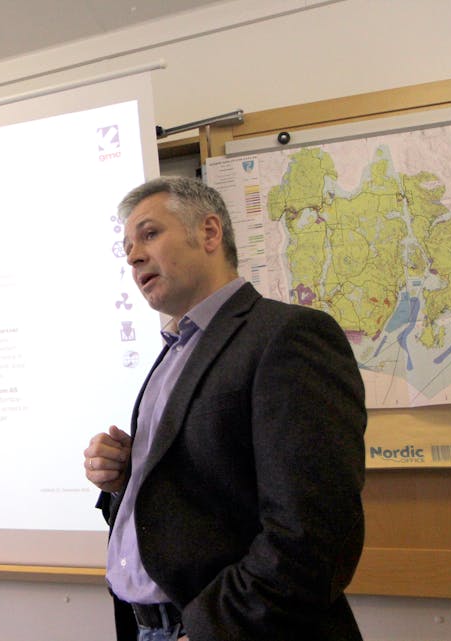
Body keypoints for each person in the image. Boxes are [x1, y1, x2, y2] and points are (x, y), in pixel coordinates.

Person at [84, 176, 367, 641]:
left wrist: (206, 630)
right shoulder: (173, 350)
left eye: (150, 234)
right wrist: (123, 479)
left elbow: (312, 536)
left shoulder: (288, 336)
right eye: (127, 246)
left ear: (210, 233)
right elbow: (207, 490)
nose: (134, 256)